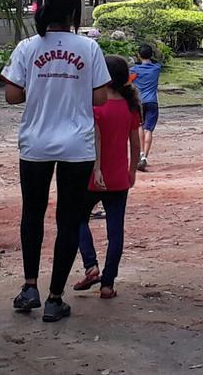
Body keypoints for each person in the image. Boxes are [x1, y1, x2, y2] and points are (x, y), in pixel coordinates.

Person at [1, 0, 110, 323]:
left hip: (35, 143)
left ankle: (29, 286)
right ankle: (55, 298)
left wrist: (42, 86)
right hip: (76, 147)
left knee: (31, 214)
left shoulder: (27, 48)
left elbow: (11, 96)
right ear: (74, 13)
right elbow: (100, 99)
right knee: (68, 220)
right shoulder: (89, 48)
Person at [73, 55, 142, 299]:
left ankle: (91, 265)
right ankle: (108, 284)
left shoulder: (94, 106)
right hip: (118, 176)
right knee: (116, 231)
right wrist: (132, 170)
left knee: (76, 218)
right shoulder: (130, 106)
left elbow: (91, 141)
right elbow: (135, 143)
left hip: (93, 175)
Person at [129, 44, 162, 171]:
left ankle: (141, 153)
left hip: (139, 101)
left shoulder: (134, 71)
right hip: (152, 101)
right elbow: (157, 62)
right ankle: (145, 157)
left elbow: (129, 81)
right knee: (149, 129)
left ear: (139, 55)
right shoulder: (156, 68)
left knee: (139, 127)